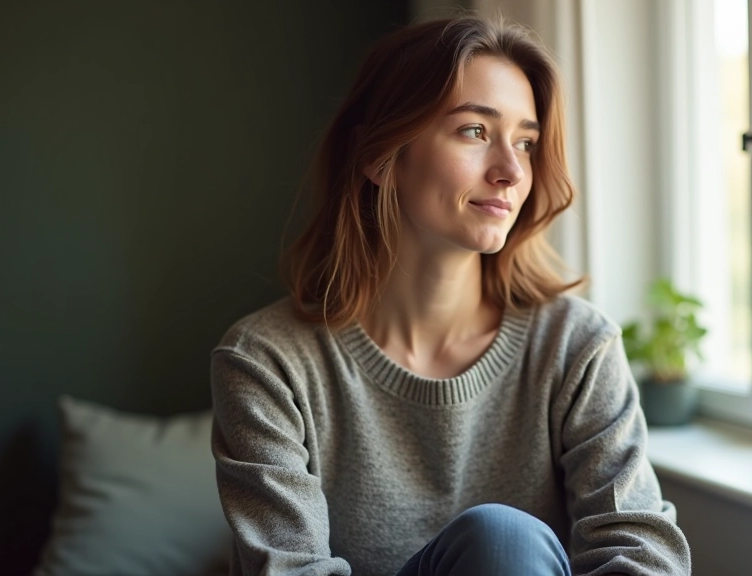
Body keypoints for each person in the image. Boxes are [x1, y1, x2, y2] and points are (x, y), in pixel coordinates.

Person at [210, 15, 691, 576]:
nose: (511, 171)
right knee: (501, 540)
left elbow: (643, 552)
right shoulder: (268, 361)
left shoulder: (576, 346)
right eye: (475, 131)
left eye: (527, 142)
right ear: (379, 155)